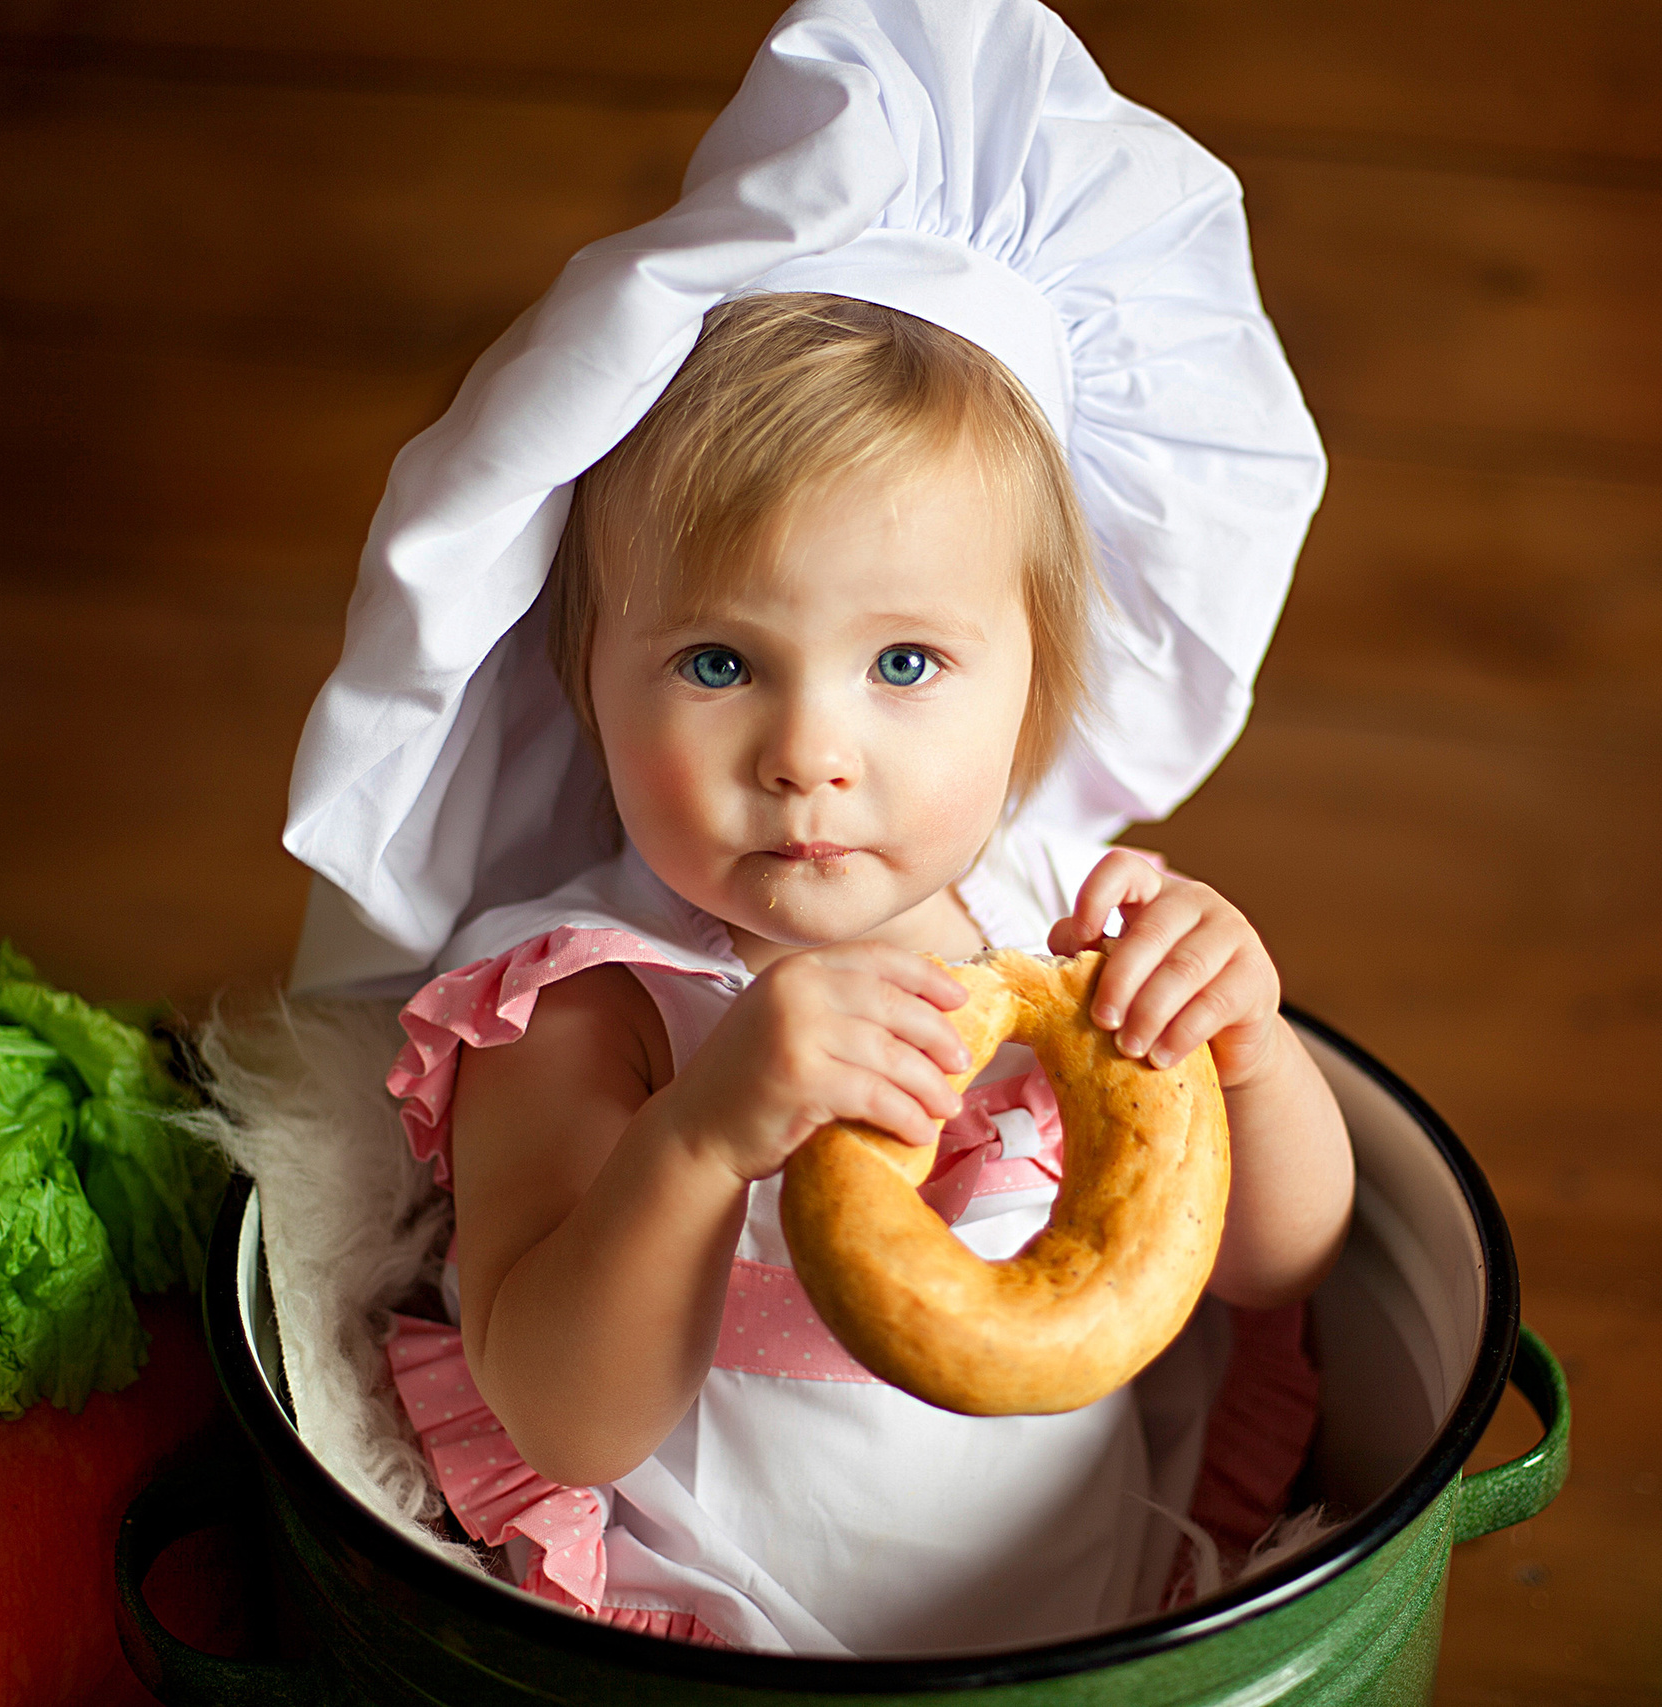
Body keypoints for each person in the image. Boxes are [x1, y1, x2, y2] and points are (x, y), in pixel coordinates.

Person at [282, 0, 1352, 1657]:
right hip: (734, 1651)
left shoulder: (1067, 928)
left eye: (905, 663)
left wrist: (1253, 1052)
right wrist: (706, 1134)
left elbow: (1279, 1267)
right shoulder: (586, 1000)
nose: (807, 754)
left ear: (1036, 691)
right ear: (585, 681)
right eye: (718, 663)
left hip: (1089, 1625)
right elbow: (564, 1416)